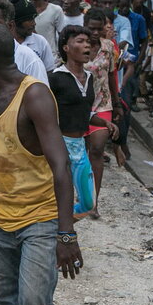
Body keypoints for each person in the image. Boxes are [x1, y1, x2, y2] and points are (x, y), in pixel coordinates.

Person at [0, 21, 83, 305]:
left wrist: (66, 233)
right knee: (5, 300)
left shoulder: (34, 96)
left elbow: (61, 165)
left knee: (33, 300)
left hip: (39, 219)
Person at [49, 25, 118, 220]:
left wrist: (105, 124)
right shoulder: (55, 78)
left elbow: (83, 112)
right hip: (59, 147)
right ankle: (61, 235)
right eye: (80, 41)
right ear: (66, 48)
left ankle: (60, 228)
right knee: (59, 198)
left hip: (79, 148)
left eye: (88, 42)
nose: (86, 45)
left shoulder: (88, 77)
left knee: (88, 204)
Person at [82, 8, 122, 219]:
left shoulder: (108, 47)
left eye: (99, 29)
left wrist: (117, 104)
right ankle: (81, 194)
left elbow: (112, 75)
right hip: (80, 106)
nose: (95, 33)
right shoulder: (77, 45)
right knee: (80, 154)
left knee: (97, 150)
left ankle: (93, 201)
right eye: (91, 28)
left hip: (103, 103)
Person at [27, 0, 64, 65]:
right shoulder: (23, 9)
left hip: (51, 59)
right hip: (28, 57)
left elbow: (62, 35)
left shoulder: (56, 10)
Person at [10, 0, 56, 71]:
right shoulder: (4, 43)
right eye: (29, 20)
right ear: (15, 23)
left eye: (34, 19)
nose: (34, 23)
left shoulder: (40, 42)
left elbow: (49, 71)